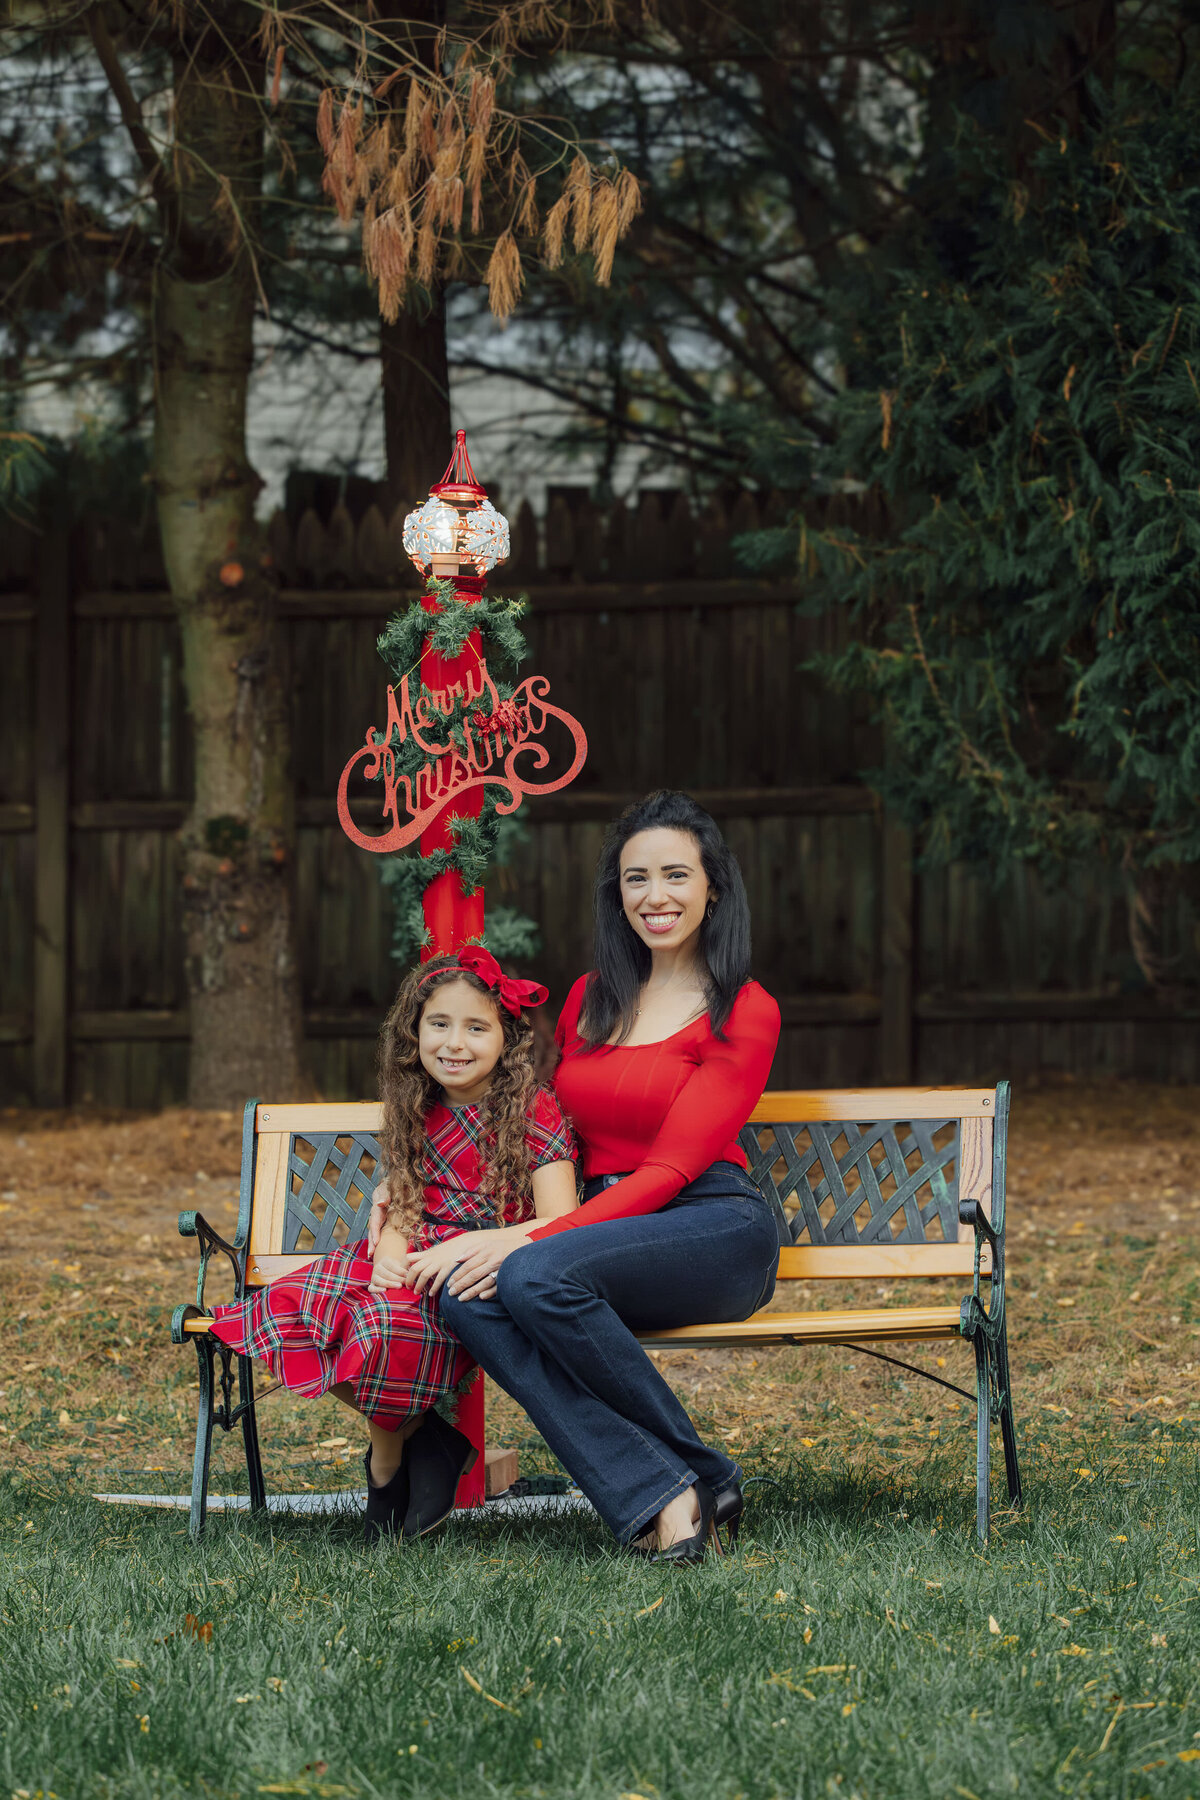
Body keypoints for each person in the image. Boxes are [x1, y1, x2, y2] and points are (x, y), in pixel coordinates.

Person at [433, 789, 781, 1565]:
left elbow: (667, 1172)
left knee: (532, 1277)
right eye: (635, 879)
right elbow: (538, 1127)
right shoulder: (592, 1000)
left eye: (675, 876)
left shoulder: (743, 1008)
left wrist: (540, 1238)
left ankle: (698, 1473)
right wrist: (411, 1173)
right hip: (604, 1227)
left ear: (712, 887)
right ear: (616, 893)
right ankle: (667, 1493)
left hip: (713, 1225)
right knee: (467, 1289)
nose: (655, 896)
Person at [208, 946, 578, 1544]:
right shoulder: (417, 1104)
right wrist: (389, 1251)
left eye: (476, 1027)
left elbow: (563, 1219)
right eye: (439, 1024)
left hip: (477, 1269)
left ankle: (385, 1469)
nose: (454, 1043)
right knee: (297, 1309)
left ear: (506, 1039)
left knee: (379, 1328)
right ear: (415, 1031)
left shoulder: (532, 1109)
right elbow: (406, 1199)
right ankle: (428, 1439)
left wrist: (454, 1252)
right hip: (412, 1254)